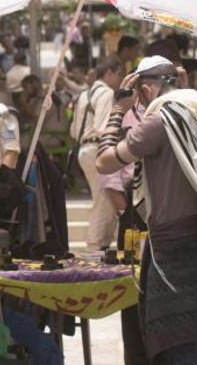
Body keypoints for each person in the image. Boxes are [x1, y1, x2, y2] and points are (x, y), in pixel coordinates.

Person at [96, 55, 197, 364]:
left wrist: (118, 110)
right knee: (191, 334)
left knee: (174, 337)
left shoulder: (159, 122)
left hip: (173, 244)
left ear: (144, 90)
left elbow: (104, 161)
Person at [69, 56, 122, 251]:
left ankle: (100, 243)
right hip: (97, 149)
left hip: (83, 149)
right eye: (118, 74)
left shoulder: (84, 94)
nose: (120, 79)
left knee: (103, 198)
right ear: (109, 73)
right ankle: (95, 245)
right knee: (104, 200)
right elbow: (102, 128)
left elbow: (73, 131)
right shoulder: (107, 94)